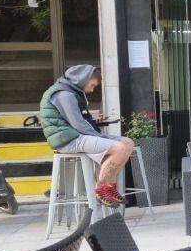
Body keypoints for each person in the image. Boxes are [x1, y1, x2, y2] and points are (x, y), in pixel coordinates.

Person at [39, 65, 134, 207]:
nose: (92, 90)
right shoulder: (64, 95)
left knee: (128, 142)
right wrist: (100, 137)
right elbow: (79, 125)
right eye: (92, 85)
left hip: (75, 135)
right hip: (67, 140)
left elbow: (77, 121)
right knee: (119, 148)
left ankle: (109, 186)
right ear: (83, 79)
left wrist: (95, 125)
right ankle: (101, 188)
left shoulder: (71, 91)